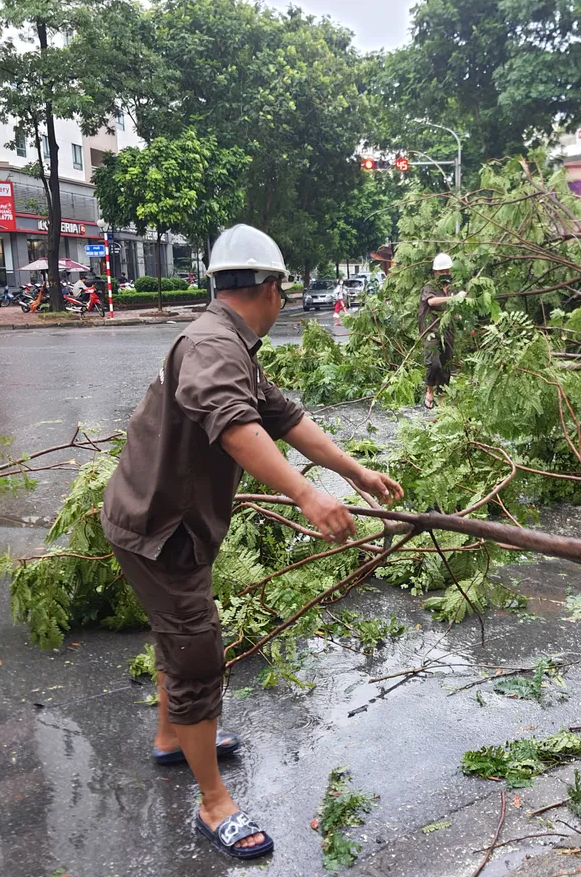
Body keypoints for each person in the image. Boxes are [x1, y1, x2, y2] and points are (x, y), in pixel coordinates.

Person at [101, 224, 403, 861]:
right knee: (198, 652)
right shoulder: (215, 345)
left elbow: (284, 417)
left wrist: (353, 472)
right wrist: (308, 495)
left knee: (176, 637)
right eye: (282, 288)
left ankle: (169, 738)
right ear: (268, 287)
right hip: (161, 532)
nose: (283, 299)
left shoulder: (227, 340)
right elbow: (237, 427)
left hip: (155, 519)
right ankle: (215, 805)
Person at [418, 252, 466, 409]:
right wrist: (452, 298)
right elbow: (432, 301)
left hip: (448, 331)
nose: (445, 274)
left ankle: (443, 399)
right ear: (435, 272)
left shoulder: (452, 289)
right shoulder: (430, 287)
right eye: (442, 271)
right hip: (431, 330)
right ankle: (430, 390)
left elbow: (455, 310)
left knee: (446, 366)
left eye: (447, 271)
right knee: (434, 364)